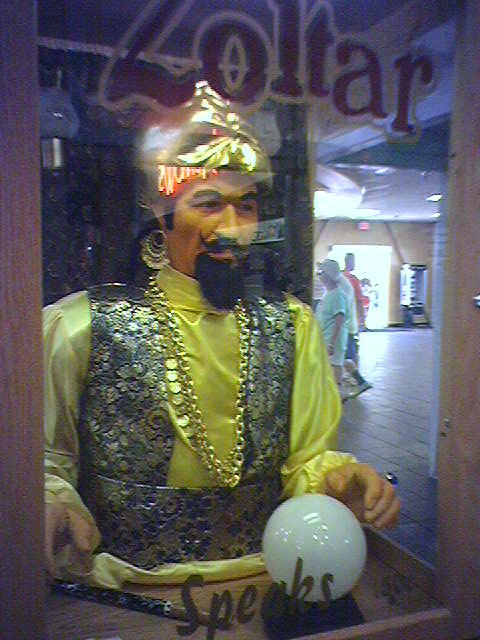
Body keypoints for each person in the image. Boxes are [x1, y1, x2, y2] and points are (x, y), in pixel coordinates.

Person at [44, 84, 399, 590]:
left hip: (266, 577)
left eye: (246, 205)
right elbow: (45, 463)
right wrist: (51, 504)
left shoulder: (292, 326)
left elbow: (307, 462)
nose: (233, 229)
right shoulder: (80, 326)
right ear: (160, 212)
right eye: (208, 204)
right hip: (126, 586)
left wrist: (340, 481)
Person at [314, 259, 348, 387]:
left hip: (333, 339)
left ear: (328, 275)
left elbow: (339, 319)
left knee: (335, 366)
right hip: (325, 338)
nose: (318, 275)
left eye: (320, 272)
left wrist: (332, 343)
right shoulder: (327, 294)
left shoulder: (337, 295)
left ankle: (335, 394)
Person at [341, 253, 372, 396]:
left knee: (346, 352)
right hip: (350, 322)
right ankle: (356, 379)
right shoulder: (352, 280)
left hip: (345, 322)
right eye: (352, 261)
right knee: (351, 352)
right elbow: (359, 301)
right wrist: (362, 320)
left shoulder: (341, 278)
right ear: (349, 262)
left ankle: (355, 379)